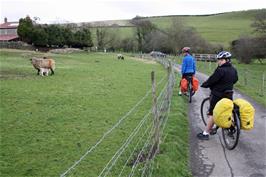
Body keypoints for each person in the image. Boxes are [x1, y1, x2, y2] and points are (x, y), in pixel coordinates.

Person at [197, 51, 238, 140]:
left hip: (218, 95)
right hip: (229, 94)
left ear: (227, 60)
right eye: (218, 60)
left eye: (221, 60)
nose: (219, 61)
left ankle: (205, 133)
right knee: (228, 110)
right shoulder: (233, 69)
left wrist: (205, 84)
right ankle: (231, 128)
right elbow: (235, 80)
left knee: (212, 113)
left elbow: (212, 80)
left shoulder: (220, 70)